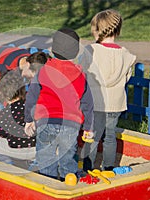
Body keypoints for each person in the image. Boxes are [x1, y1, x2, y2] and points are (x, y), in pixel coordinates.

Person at [24, 28, 94, 181]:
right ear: (75, 52)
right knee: (68, 158)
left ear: (54, 50)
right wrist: (88, 127)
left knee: (45, 155)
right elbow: (88, 103)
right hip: (71, 124)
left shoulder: (44, 71)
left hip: (46, 121)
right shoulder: (80, 75)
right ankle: (66, 184)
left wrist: (28, 119)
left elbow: (32, 96)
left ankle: (48, 183)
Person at [79, 9, 136, 171]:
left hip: (96, 102)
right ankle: (109, 166)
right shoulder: (125, 54)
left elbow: (82, 71)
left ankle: (88, 166)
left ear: (98, 31)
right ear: (117, 31)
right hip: (116, 103)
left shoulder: (91, 51)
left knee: (93, 136)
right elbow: (127, 77)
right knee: (110, 136)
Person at [0, 52, 49, 165]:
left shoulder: (4, 114)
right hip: (35, 149)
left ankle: (6, 161)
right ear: (23, 91)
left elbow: (2, 134)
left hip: (16, 150)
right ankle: (33, 161)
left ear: (3, 96)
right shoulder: (31, 107)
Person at [0, 46, 35, 121]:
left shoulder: (30, 60)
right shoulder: (6, 66)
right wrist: (9, 105)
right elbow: (0, 89)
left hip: (7, 61)